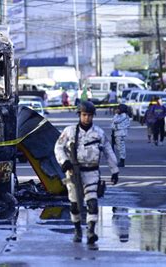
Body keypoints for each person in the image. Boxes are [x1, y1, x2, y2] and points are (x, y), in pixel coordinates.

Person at [54, 101, 120, 244]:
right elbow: (58, 147)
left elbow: (109, 151)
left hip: (92, 172)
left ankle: (91, 231)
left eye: (89, 115)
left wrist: (114, 171)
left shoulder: (99, 133)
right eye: (84, 115)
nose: (87, 118)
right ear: (79, 115)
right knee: (74, 204)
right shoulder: (70, 131)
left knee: (92, 203)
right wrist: (64, 162)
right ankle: (77, 230)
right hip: (73, 173)